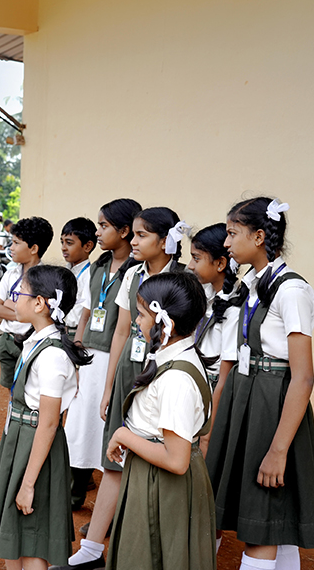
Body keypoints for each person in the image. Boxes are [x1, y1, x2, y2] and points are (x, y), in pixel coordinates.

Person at [206, 197, 314, 570]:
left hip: (271, 408)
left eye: (232, 233)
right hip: (245, 397)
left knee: (264, 518)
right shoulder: (253, 286)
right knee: (273, 520)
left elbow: (303, 376)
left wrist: (277, 450)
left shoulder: (291, 291)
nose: (226, 242)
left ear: (259, 236)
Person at [66, 206, 186, 569]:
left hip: (161, 372)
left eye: (141, 235)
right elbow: (121, 331)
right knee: (114, 458)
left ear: (165, 241)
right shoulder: (132, 274)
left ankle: (144, 548)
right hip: (128, 371)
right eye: (132, 234)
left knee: (153, 455)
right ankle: (91, 549)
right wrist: (108, 388)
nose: (133, 241)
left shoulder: (183, 279)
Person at [0, 265, 93, 569]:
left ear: (40, 303)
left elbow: (49, 423)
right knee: (14, 535)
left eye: (20, 293)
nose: (13, 299)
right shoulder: (36, 341)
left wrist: (28, 484)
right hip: (19, 441)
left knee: (30, 541)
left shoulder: (52, 355)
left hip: (35, 448)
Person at [105, 272, 216, 570]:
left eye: (142, 315)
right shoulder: (174, 356)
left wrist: (124, 436)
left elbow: (176, 461)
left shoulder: (176, 379)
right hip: (151, 478)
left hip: (160, 485)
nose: (136, 321)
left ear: (166, 323)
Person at [64, 200, 141, 517]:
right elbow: (85, 313)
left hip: (116, 357)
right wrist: (77, 351)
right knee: (80, 425)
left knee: (106, 424)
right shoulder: (96, 268)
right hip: (90, 357)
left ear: (124, 231)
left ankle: (109, 509)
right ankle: (75, 489)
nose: (98, 232)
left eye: (104, 226)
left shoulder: (135, 271)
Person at [187, 224, 243, 459]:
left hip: (213, 396)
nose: (190, 265)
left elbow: (224, 376)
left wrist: (208, 433)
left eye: (196, 258)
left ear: (220, 264)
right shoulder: (205, 295)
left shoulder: (234, 308)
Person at [0, 216, 55, 389]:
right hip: (7, 340)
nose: (11, 248)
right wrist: (26, 313)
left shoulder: (46, 280)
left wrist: (9, 304)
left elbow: (44, 315)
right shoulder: (10, 274)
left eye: (16, 243)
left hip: (31, 342)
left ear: (34, 248)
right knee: (11, 388)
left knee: (29, 389)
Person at [59, 217, 97, 340]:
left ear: (87, 246)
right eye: (62, 242)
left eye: (69, 243)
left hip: (75, 334)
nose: (63, 247)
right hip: (60, 331)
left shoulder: (90, 276)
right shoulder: (63, 272)